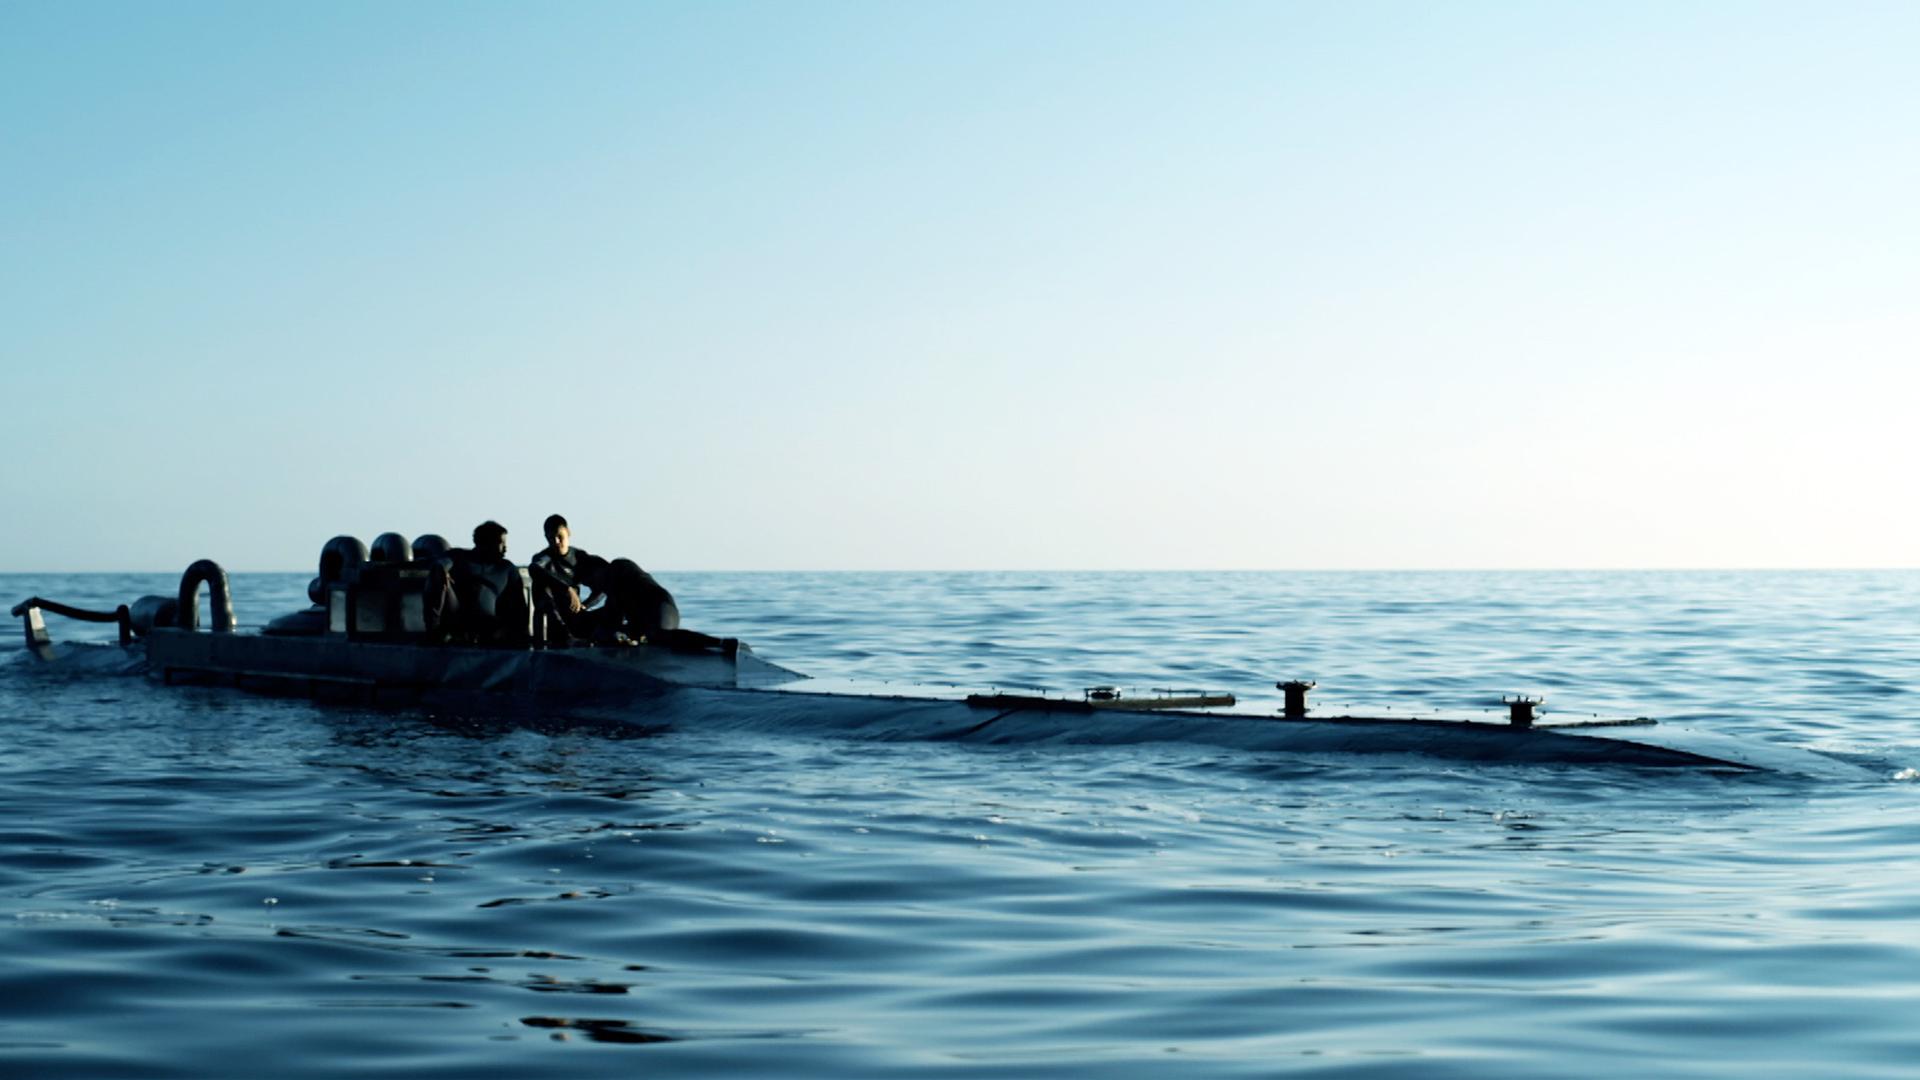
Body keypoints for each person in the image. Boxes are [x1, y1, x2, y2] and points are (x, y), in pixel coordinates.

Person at [447, 520, 531, 644]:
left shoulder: (507, 569)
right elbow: (435, 564)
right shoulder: (459, 557)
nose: (506, 548)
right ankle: (435, 633)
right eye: (501, 543)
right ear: (487, 543)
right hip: (458, 621)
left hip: (490, 627)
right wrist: (443, 570)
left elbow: (520, 610)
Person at [528, 514, 606, 644]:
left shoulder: (579, 557)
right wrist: (567, 589)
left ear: (568, 532)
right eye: (551, 538)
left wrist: (585, 605)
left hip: (576, 618)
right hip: (555, 624)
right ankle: (566, 635)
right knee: (540, 584)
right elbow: (534, 568)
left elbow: (604, 585)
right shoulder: (543, 559)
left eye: (559, 536)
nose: (556, 542)